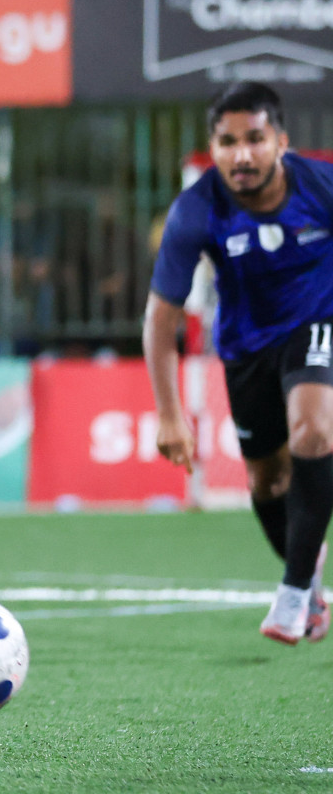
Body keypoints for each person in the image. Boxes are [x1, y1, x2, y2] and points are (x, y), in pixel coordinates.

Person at [144, 81, 333, 645]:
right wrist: (170, 414)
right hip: (246, 347)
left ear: (282, 142)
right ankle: (311, 584)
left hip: (317, 323)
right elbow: (160, 319)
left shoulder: (321, 186)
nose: (241, 154)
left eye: (255, 139)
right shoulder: (197, 208)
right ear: (214, 146)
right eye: (227, 142)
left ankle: (294, 593)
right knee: (267, 480)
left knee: (315, 429)